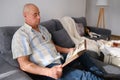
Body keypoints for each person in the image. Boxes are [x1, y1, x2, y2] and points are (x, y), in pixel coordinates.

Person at [12, 3, 103, 80]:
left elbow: (53, 46)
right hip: (47, 67)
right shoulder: (21, 35)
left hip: (59, 59)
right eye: (35, 15)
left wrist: (69, 50)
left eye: (39, 14)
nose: (39, 17)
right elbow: (24, 65)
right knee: (85, 76)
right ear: (25, 15)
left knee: (82, 53)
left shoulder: (43, 29)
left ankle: (101, 75)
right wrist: (48, 72)